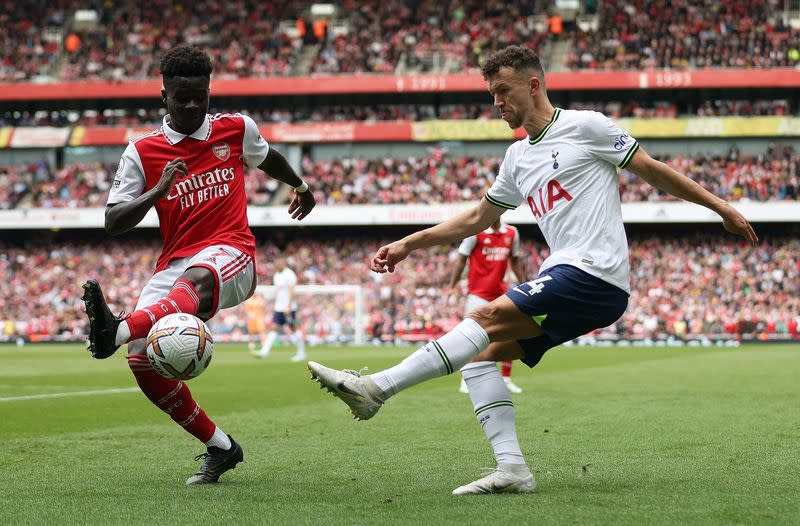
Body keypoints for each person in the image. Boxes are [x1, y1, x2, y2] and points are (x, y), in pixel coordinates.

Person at [307, 45, 757, 495]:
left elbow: (651, 169)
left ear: (534, 85)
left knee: (480, 319)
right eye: (491, 94)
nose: (496, 103)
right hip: (575, 278)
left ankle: (375, 390)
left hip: (594, 272)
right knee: (479, 358)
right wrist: (409, 242)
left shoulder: (586, 126)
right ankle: (513, 469)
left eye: (503, 91)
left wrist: (721, 208)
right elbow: (476, 219)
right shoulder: (517, 157)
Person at [81, 45, 316, 485]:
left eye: (200, 97)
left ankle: (116, 329)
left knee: (197, 276)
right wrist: (159, 189)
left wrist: (301, 185)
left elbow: (267, 157)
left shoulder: (236, 129)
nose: (192, 105)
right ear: (163, 96)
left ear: (209, 92)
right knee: (140, 360)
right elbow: (113, 222)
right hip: (174, 263)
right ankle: (221, 447)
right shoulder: (142, 151)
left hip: (232, 253)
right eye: (182, 97)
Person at [446, 218, 526, 394]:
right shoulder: (475, 232)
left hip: (501, 293)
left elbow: (515, 261)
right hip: (477, 293)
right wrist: (452, 286)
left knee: (508, 334)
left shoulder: (512, 233)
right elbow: (461, 260)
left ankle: (506, 379)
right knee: (471, 337)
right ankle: (466, 379)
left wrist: (525, 284)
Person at [254, 257, 306, 361]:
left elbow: (292, 291)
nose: (276, 265)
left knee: (293, 329)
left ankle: (301, 353)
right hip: (279, 307)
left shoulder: (290, 274)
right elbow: (278, 292)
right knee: (274, 328)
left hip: (289, 308)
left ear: (283, 263)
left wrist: (289, 306)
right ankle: (264, 351)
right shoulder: (277, 275)